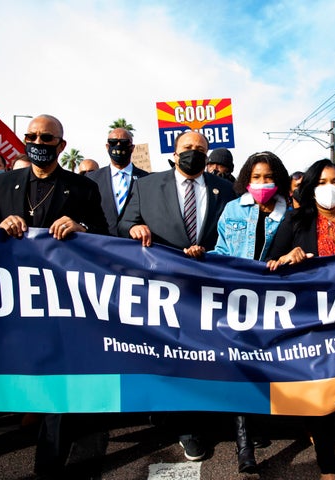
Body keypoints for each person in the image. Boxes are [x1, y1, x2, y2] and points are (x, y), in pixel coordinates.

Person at [0, 114, 109, 476]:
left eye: (46, 138)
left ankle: (49, 458)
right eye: (32, 136)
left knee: (57, 369)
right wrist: (1, 226)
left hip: (63, 297)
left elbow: (102, 233)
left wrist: (80, 227)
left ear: (61, 145)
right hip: (17, 296)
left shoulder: (82, 188)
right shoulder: (4, 184)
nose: (38, 143)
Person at [118, 130, 236, 461]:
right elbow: (123, 223)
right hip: (163, 291)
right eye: (187, 148)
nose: (193, 153)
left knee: (207, 356)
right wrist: (133, 228)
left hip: (207, 289)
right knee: (174, 357)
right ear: (174, 151)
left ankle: (215, 418)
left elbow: (235, 235)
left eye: (200, 149)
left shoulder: (226, 190)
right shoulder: (146, 185)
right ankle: (186, 427)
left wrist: (211, 252)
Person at [266, 159, 335, 480]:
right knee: (321, 394)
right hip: (310, 320)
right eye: (322, 181)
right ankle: (328, 468)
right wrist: (287, 258)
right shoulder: (296, 220)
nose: (330, 187)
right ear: (311, 187)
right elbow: (267, 263)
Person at [209, 151, 290, 473]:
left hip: (277, 302)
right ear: (246, 179)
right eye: (256, 177)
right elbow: (223, 250)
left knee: (268, 364)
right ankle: (245, 445)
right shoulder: (232, 209)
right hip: (239, 299)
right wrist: (202, 257)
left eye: (268, 177)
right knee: (240, 365)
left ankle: (263, 424)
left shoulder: (292, 212)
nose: (262, 183)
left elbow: (300, 248)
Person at [86, 129, 149, 236]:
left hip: (136, 245)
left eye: (124, 142)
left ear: (132, 148)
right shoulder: (92, 179)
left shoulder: (147, 179)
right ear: (107, 146)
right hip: (103, 244)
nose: (118, 145)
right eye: (113, 142)